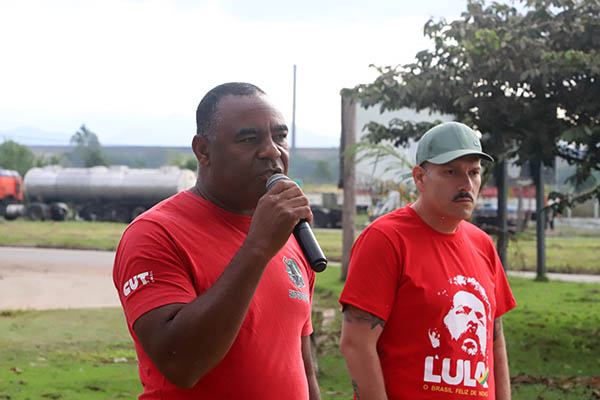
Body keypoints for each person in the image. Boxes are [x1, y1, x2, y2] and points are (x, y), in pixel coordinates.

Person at [113, 82, 321, 399]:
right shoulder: (154, 234)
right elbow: (180, 364)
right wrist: (257, 248)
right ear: (203, 151)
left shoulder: (288, 233)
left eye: (280, 137)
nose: (272, 151)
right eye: (249, 139)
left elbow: (301, 363)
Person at [339, 121, 517, 400]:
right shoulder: (386, 239)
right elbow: (356, 344)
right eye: (451, 172)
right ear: (420, 177)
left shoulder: (482, 244)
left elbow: (495, 342)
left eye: (474, 172)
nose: (466, 184)